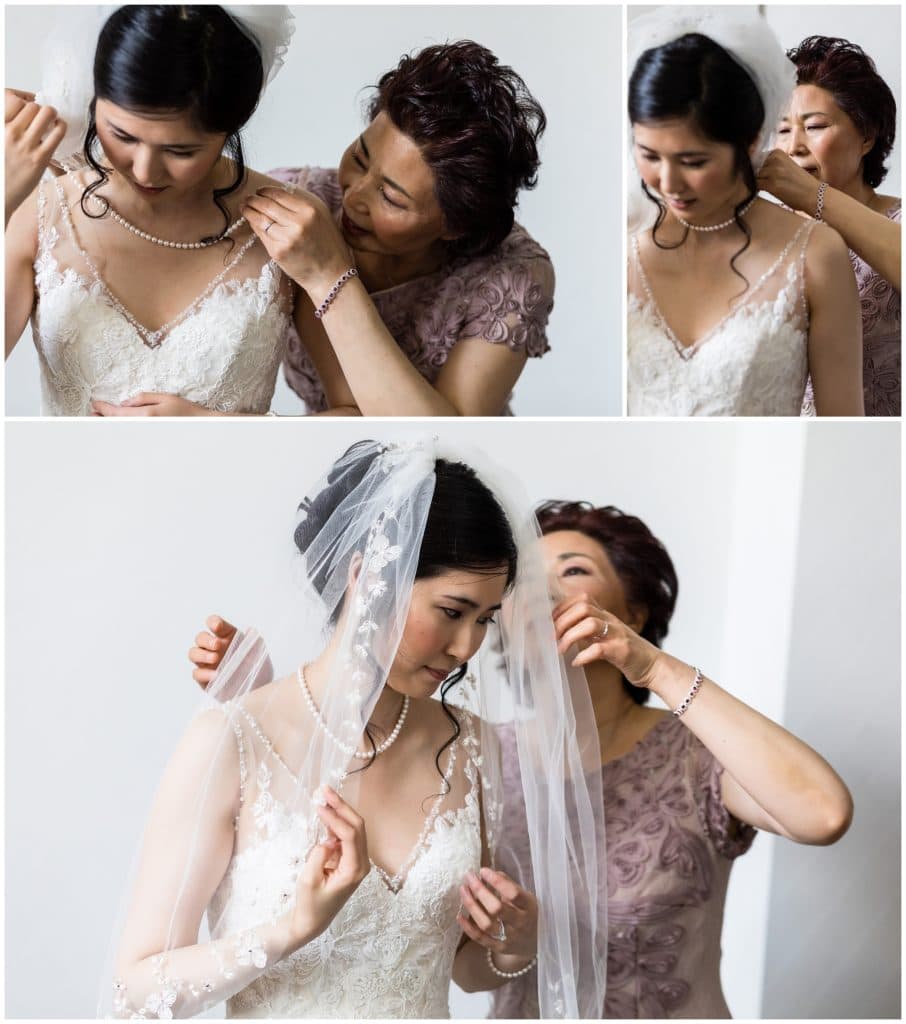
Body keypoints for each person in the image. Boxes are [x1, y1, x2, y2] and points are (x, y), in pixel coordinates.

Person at [193, 497, 854, 1019]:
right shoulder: (468, 749)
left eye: (572, 572)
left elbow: (822, 813)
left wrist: (653, 666)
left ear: (635, 609)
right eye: (523, 584)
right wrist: (266, 700)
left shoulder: (693, 754)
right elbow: (356, 861)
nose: (542, 595)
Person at [108, 441, 606, 1018]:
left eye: (485, 620)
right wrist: (294, 928)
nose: (467, 646)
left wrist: (514, 943)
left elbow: (460, 966)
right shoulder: (232, 739)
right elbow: (135, 990)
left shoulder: (473, 742)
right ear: (367, 573)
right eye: (451, 611)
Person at [5, 5, 301, 416]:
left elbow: (362, 415)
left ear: (231, 126)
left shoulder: (287, 224)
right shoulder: (42, 214)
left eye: (181, 150)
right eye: (121, 135)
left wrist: (215, 426)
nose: (144, 170)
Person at [249, 40, 553, 417]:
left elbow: (447, 442)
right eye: (359, 158)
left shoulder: (512, 276)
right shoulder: (298, 209)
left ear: (455, 226)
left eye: (391, 198)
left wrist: (330, 277)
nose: (354, 198)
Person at [626, 9, 864, 416]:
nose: (667, 183)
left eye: (694, 161)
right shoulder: (621, 243)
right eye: (649, 155)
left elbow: (842, 424)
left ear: (751, 140)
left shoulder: (817, 256)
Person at [760, 35, 901, 416]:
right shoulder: (763, 236)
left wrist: (812, 197)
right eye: (783, 130)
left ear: (867, 137)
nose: (793, 148)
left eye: (815, 126)